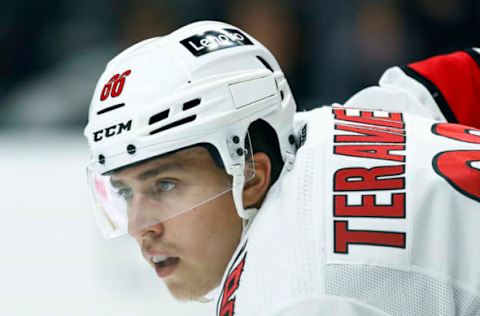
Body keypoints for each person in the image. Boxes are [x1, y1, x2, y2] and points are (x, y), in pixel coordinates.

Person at [84, 21, 480, 315]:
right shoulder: (348, 121)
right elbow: (466, 78)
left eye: (165, 185)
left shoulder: (289, 294)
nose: (139, 227)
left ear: (251, 176)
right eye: (124, 191)